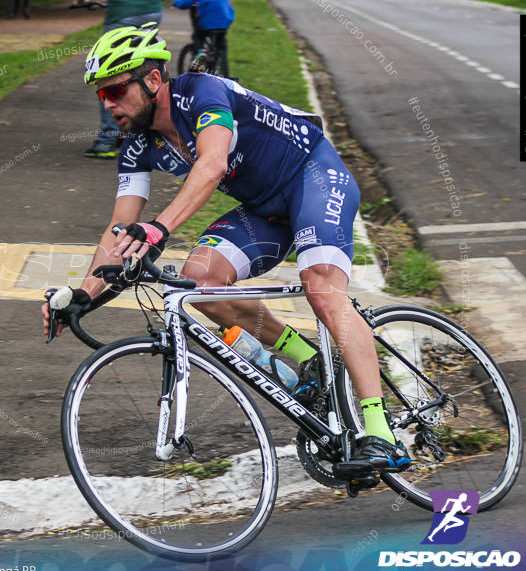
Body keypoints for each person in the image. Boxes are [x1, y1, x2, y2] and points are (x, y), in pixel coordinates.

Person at [43, 24, 412, 475]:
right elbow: (118, 230)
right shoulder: (137, 144)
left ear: (153, 80)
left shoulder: (201, 92)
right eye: (102, 96)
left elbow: (213, 163)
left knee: (320, 287)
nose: (109, 104)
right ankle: (306, 361)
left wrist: (158, 228)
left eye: (117, 90)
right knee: (200, 282)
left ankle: (380, 432)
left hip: (314, 178)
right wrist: (83, 296)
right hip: (265, 208)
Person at [84, 0, 163, 158]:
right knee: (143, 69)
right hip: (152, 10)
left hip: (123, 13)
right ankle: (148, 133)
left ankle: (107, 139)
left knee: (107, 73)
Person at [172, 0, 234, 77]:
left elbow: (185, 4)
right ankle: (225, 71)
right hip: (225, 21)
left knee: (198, 36)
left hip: (208, 22)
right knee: (221, 44)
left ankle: (200, 52)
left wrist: (176, 2)